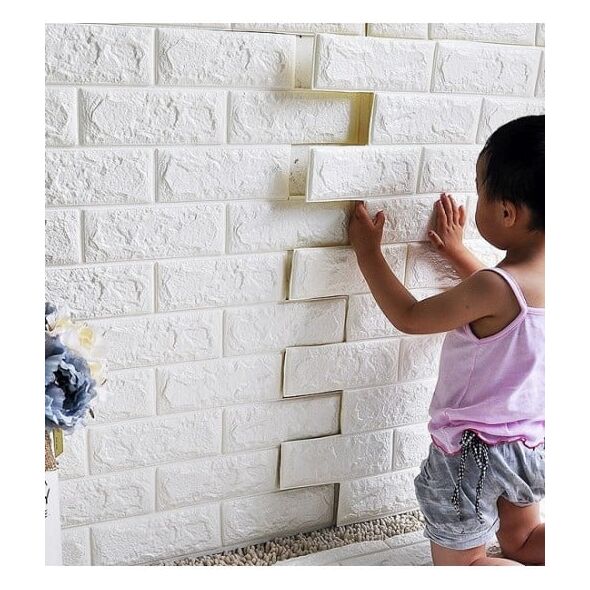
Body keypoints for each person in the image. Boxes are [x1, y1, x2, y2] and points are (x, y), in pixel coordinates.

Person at [348, 115, 545, 566]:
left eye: (480, 190)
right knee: (524, 537)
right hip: (531, 446)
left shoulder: (493, 288)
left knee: (466, 565)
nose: (476, 198)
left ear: (507, 213)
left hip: (470, 458)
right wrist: (456, 251)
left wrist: (368, 253)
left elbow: (410, 316)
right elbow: (507, 304)